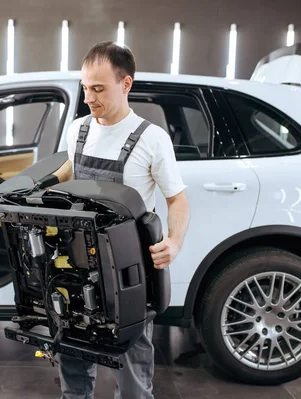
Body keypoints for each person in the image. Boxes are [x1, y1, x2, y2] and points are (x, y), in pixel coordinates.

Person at [58, 41, 191, 399]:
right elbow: (73, 167)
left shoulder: (152, 140)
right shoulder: (78, 130)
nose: (89, 97)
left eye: (98, 88)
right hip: (79, 265)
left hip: (128, 273)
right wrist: (37, 187)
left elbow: (177, 199)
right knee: (73, 357)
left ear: (126, 84)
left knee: (133, 370)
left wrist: (174, 243)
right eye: (85, 87)